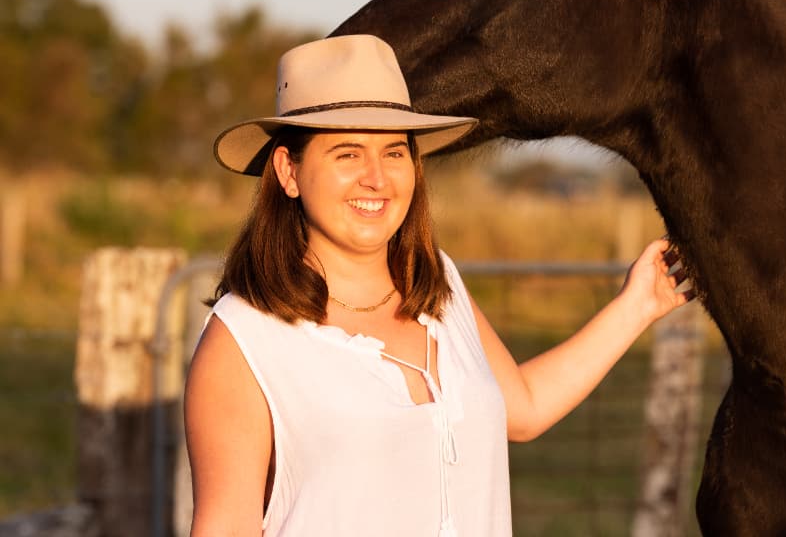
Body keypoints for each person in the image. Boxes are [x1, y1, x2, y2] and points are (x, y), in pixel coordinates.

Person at [184, 34, 688, 537]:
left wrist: (639, 304)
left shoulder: (440, 286)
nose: (377, 178)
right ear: (289, 171)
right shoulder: (244, 340)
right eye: (348, 154)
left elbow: (526, 407)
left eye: (395, 153)